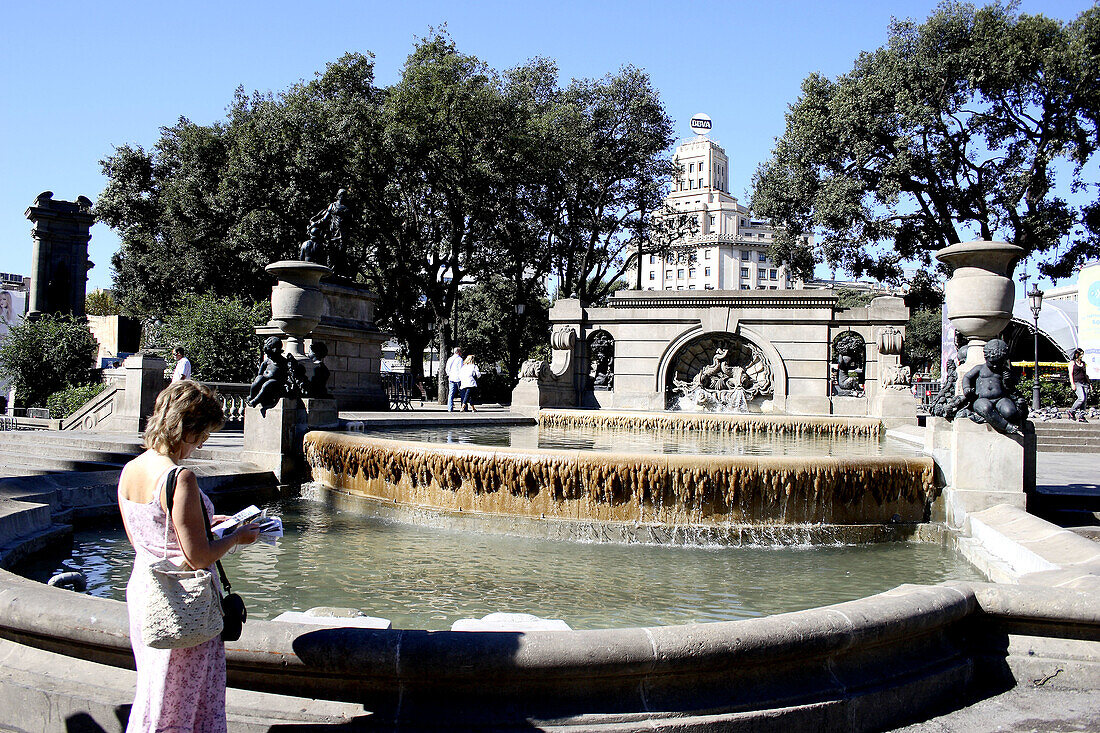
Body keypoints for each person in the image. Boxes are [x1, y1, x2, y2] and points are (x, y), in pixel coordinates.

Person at [117, 380, 260, 732]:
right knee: (185, 698)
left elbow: (145, 537)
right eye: (202, 435)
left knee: (154, 689)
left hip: (146, 591)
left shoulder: (131, 469)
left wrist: (206, 523)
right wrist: (236, 537)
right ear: (187, 427)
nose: (201, 445)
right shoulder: (180, 477)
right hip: (185, 600)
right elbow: (196, 557)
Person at [1068, 348, 1090, 422]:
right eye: (1081, 354)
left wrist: (1089, 383)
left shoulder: (1083, 363)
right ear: (1077, 354)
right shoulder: (1072, 363)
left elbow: (1085, 374)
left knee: (1084, 401)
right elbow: (1070, 374)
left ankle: (1082, 416)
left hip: (1084, 382)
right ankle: (1072, 411)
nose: (1082, 356)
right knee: (1081, 398)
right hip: (1077, 383)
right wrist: (1072, 384)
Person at [445, 347, 464, 412]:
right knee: (462, 393)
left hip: (451, 378)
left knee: (451, 394)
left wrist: (449, 374)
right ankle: (463, 407)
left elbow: (447, 368)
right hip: (458, 378)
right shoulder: (460, 359)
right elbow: (461, 369)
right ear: (458, 352)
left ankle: (449, 408)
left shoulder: (450, 359)